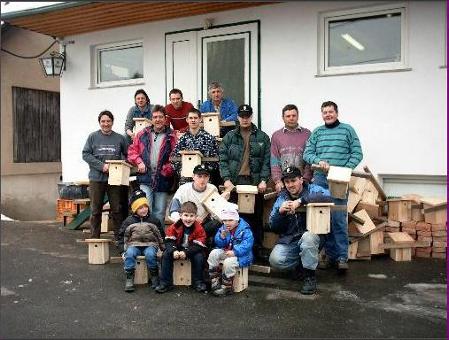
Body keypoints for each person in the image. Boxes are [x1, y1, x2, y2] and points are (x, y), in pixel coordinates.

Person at [303, 101, 363, 272]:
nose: (328, 114)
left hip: (339, 180)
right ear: (322, 114)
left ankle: (342, 257)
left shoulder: (347, 130)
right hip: (321, 179)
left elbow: (357, 153)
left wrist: (345, 169)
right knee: (323, 218)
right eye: (325, 112)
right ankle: (330, 256)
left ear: (337, 113)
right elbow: (308, 153)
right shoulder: (317, 132)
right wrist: (317, 161)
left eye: (330, 111)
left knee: (338, 218)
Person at [268, 166, 332, 295]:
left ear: (301, 180)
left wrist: (301, 201)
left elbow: (328, 196)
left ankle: (310, 277)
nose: (290, 185)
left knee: (308, 237)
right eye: (287, 182)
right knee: (275, 260)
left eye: (293, 181)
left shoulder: (313, 189)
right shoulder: (282, 198)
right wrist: (280, 213)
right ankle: (301, 265)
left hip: (313, 237)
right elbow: (273, 226)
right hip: (291, 239)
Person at [219, 104, 271, 259]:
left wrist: (263, 180)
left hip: (255, 183)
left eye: (247, 116)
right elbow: (223, 159)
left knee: (256, 217)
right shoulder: (229, 137)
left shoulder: (262, 137)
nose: (245, 119)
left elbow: (266, 162)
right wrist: (227, 179)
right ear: (238, 117)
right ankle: (236, 249)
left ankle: (256, 249)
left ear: (251, 116)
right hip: (236, 183)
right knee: (236, 216)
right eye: (242, 116)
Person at [127, 105, 177, 227]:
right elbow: (132, 151)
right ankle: (144, 236)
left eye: (160, 117)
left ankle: (158, 237)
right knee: (144, 209)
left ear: (165, 119)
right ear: (151, 119)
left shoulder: (172, 136)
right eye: (155, 117)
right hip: (145, 177)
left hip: (163, 179)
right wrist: (139, 161)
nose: (158, 120)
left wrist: (167, 169)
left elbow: (176, 157)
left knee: (159, 212)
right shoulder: (142, 134)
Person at [82, 110, 128, 240]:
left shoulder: (120, 138)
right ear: (99, 122)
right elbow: (86, 154)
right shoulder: (92, 137)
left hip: (115, 179)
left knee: (117, 210)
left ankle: (120, 240)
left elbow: (128, 154)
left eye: (108, 121)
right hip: (96, 178)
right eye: (103, 121)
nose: (106, 124)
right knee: (96, 210)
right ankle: (95, 239)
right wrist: (101, 166)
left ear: (112, 122)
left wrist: (122, 165)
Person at [117, 190, 165, 292]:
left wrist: (162, 248)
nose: (144, 209)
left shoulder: (154, 220)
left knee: (151, 255)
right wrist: (122, 251)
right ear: (134, 209)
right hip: (134, 244)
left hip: (150, 244)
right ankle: (129, 277)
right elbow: (122, 236)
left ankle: (154, 276)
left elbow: (160, 235)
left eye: (145, 206)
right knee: (129, 254)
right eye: (140, 208)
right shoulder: (129, 221)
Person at [168, 164, 229, 243]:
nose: (202, 179)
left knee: (216, 224)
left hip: (203, 225)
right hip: (187, 223)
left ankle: (205, 243)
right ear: (193, 176)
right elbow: (173, 211)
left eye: (205, 176)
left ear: (209, 178)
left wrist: (222, 201)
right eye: (199, 176)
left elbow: (217, 214)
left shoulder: (212, 188)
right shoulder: (183, 189)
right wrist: (188, 219)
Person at [155, 201, 208, 294]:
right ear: (180, 215)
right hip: (177, 249)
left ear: (196, 217)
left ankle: (198, 282)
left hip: (192, 250)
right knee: (166, 255)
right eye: (186, 215)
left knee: (199, 257)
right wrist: (173, 251)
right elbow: (168, 240)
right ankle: (165, 283)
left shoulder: (199, 228)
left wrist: (186, 252)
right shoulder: (175, 226)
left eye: (191, 216)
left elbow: (199, 244)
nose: (188, 219)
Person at [208, 203, 254, 297]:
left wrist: (235, 252)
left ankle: (227, 286)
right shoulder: (224, 228)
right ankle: (214, 279)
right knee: (214, 253)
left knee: (228, 263)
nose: (227, 223)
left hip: (242, 256)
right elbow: (219, 243)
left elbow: (247, 245)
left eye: (230, 220)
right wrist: (221, 237)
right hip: (227, 252)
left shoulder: (245, 229)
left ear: (236, 220)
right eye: (225, 220)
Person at [170, 108, 220, 186]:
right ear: (187, 120)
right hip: (185, 180)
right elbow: (174, 158)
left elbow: (217, 159)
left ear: (200, 119)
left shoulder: (209, 138)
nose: (193, 120)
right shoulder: (182, 139)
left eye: (195, 118)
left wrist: (204, 171)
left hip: (204, 180)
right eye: (191, 118)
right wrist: (182, 171)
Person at [270, 104, 312, 193]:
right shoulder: (276, 136)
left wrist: (305, 180)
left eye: (294, 115)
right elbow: (274, 160)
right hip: (284, 184)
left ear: (298, 116)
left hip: (302, 183)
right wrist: (278, 181)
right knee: (285, 206)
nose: (291, 118)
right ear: (283, 117)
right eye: (288, 116)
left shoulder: (307, 134)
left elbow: (309, 161)